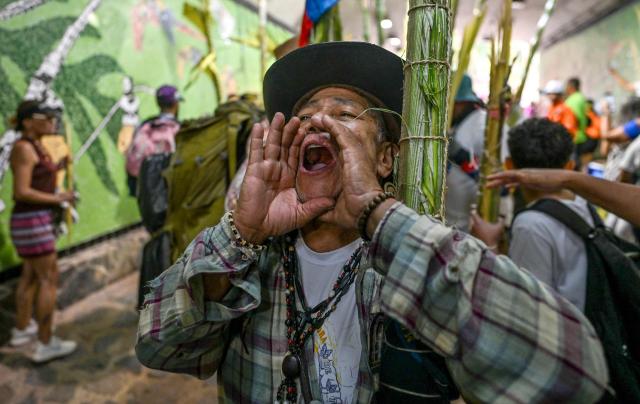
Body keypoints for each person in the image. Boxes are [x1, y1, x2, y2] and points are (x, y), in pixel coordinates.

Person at [135, 42, 608, 403]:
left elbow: (573, 373)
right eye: (305, 116)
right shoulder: (251, 253)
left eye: (344, 114)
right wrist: (241, 234)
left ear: (385, 159)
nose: (319, 121)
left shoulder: (419, 261)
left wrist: (376, 214)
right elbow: (158, 347)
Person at [8, 100, 77, 362]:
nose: (51, 121)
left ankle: (23, 329)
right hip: (32, 221)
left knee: (31, 276)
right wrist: (60, 199)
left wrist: (59, 167)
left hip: (30, 221)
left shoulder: (35, 146)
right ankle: (45, 343)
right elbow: (22, 191)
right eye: (45, 117)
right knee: (49, 278)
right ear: (28, 121)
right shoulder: (24, 148)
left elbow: (39, 178)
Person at [503, 118, 591, 310]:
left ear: (509, 166)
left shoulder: (530, 224)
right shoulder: (583, 204)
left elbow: (529, 307)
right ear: (569, 166)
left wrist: (492, 247)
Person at [125, 84, 182, 196]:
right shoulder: (178, 129)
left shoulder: (145, 125)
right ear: (176, 104)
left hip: (140, 185)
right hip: (164, 190)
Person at [445, 74, 485, 231]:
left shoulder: (482, 124)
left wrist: (461, 156)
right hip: (450, 219)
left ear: (461, 103)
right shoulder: (457, 123)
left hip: (468, 225)